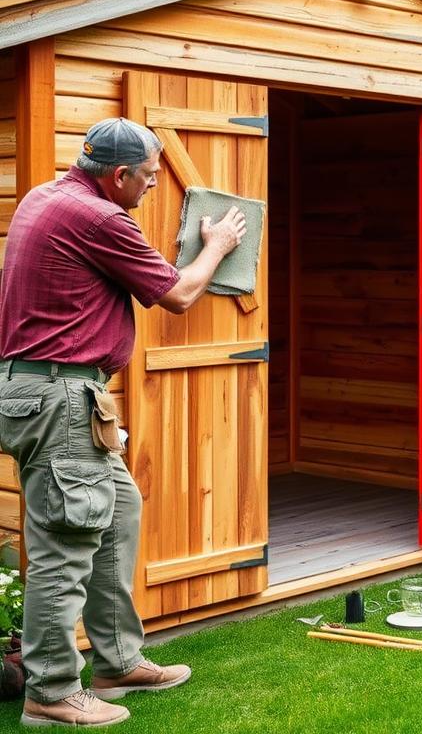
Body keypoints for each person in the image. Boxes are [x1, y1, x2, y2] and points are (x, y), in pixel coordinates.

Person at [0, 117, 247, 727]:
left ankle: (117, 661)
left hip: (53, 390)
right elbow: (179, 295)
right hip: (59, 396)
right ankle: (52, 691)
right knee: (67, 542)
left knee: (116, 514)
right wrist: (217, 244)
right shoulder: (101, 218)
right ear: (117, 175)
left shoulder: (45, 197)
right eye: (148, 178)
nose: (153, 187)